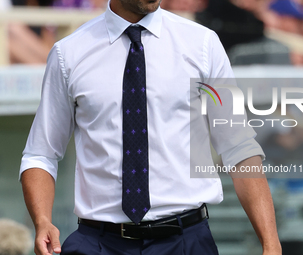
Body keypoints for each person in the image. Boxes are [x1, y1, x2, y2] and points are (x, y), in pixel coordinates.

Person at [19, 0, 282, 255]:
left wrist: (271, 245)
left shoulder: (202, 44)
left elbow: (238, 147)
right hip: (98, 243)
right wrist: (42, 220)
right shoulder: (69, 53)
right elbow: (40, 154)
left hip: (187, 241)